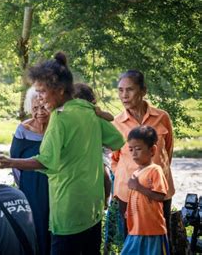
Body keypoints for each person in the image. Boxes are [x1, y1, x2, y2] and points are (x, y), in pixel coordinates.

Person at [0, 52, 125, 255]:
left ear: (60, 90)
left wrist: (10, 161)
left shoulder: (59, 118)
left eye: (42, 92)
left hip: (68, 208)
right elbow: (117, 140)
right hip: (92, 207)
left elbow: (46, 162)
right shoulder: (87, 109)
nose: (40, 98)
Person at [112, 70, 175, 238]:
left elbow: (167, 151)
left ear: (143, 91)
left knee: (160, 237)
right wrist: (126, 178)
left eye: (129, 90)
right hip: (129, 194)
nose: (124, 95)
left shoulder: (162, 117)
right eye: (120, 90)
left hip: (160, 191)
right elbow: (114, 159)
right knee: (132, 240)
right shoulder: (116, 123)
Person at [10, 87, 51, 255]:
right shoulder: (23, 130)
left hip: (55, 184)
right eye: (35, 108)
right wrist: (24, 187)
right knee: (36, 224)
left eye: (44, 107)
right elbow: (15, 162)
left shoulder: (57, 127)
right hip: (31, 187)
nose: (40, 112)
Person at [121, 126, 170, 255]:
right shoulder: (136, 172)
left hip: (152, 230)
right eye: (131, 149)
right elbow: (135, 196)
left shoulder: (155, 170)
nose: (133, 153)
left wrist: (138, 187)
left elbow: (161, 196)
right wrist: (128, 212)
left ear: (152, 150)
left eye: (138, 149)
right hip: (136, 228)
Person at [73, 83, 113, 206]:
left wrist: (100, 114)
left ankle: (106, 199)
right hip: (81, 151)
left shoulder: (95, 112)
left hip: (98, 150)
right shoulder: (71, 114)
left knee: (104, 173)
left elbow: (111, 117)